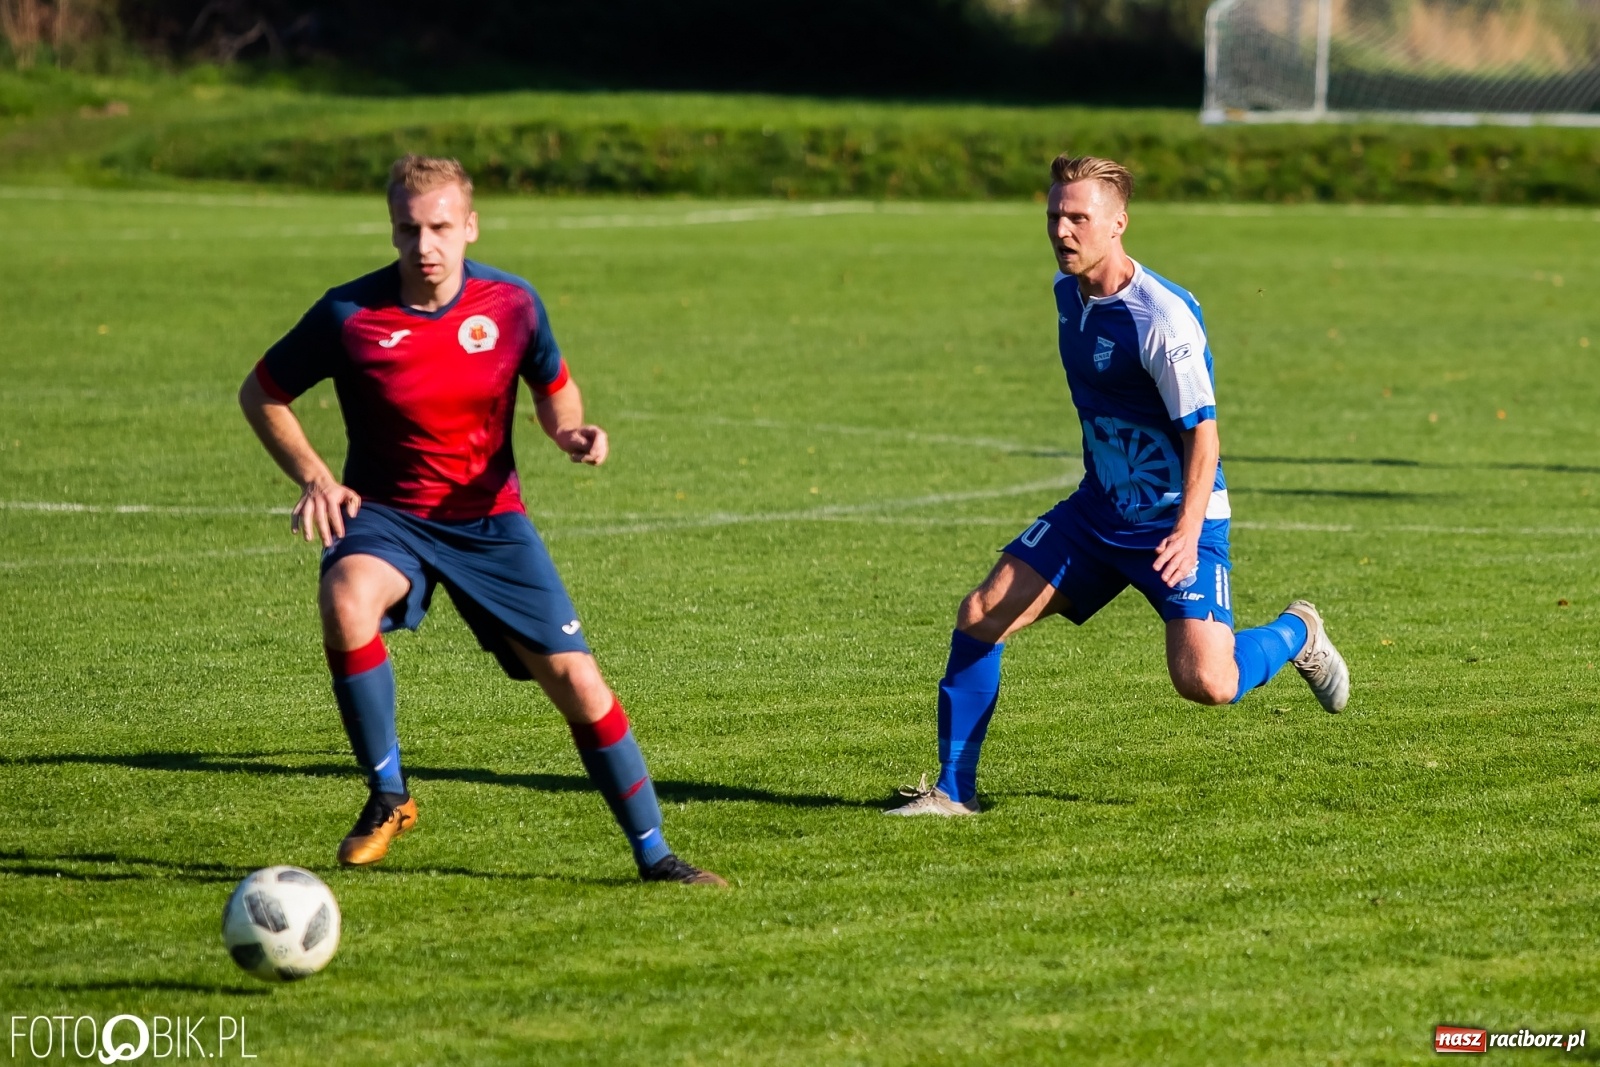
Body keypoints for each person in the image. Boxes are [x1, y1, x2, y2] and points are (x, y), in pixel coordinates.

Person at [239, 154, 725, 884]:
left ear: (469, 225)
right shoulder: (348, 314)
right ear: (392, 229)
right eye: (408, 228)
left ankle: (656, 855)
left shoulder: (512, 304)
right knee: (345, 597)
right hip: (388, 516)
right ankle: (389, 794)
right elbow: (262, 391)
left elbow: (554, 383)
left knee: (580, 684)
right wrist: (316, 476)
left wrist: (569, 431)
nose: (423, 245)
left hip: (490, 524)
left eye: (439, 227)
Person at [887, 154, 1349, 817]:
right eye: (1054, 215)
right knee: (981, 612)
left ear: (1118, 224)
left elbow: (1205, 435)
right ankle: (954, 791)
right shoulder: (1065, 293)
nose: (1062, 230)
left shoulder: (1161, 320)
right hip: (1098, 512)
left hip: (1173, 521)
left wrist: (1188, 532)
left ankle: (1297, 633)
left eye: (1079, 217)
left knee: (1208, 683)